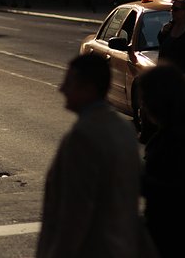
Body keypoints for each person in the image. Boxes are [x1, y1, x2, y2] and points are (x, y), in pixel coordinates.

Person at [36, 54, 142, 258]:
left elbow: (75, 212)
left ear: (89, 88)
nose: (61, 89)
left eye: (69, 82)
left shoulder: (83, 137)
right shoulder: (124, 129)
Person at [138, 65, 185, 258]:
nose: (143, 105)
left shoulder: (179, 138)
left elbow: (174, 193)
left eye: (145, 98)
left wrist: (136, 178)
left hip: (180, 242)